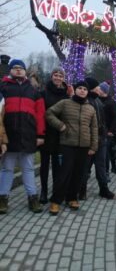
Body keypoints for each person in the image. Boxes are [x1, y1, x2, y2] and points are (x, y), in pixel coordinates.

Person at [46, 81, 98, 215]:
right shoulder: (65, 103)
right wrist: (61, 126)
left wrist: (93, 146)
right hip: (67, 145)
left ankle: (72, 198)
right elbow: (49, 113)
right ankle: (56, 200)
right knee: (64, 174)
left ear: (87, 92)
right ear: (75, 90)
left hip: (84, 147)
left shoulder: (90, 108)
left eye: (84, 89)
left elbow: (94, 128)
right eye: (79, 88)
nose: (82, 91)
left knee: (78, 174)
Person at [0, 59, 45, 214]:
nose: (18, 70)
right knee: (7, 169)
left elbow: (40, 115)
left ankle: (33, 199)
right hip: (9, 136)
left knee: (28, 169)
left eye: (21, 68)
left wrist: (40, 134)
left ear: (25, 71)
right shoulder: (3, 88)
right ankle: (3, 199)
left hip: (28, 136)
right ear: (10, 70)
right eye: (15, 68)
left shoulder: (33, 91)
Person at [79, 77, 115, 200]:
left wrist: (104, 134)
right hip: (88, 139)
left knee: (101, 166)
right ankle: (81, 190)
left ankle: (103, 189)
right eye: (97, 87)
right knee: (85, 166)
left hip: (101, 139)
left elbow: (102, 120)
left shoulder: (98, 101)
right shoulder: (85, 101)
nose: (99, 89)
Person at [39, 67, 69, 204]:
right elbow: (40, 114)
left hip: (60, 134)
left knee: (58, 166)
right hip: (46, 133)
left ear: (63, 78)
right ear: (52, 76)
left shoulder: (66, 94)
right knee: (44, 165)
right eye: (55, 75)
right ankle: (43, 192)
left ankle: (56, 191)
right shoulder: (43, 92)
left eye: (60, 76)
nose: (58, 78)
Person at [99, 81, 116, 179]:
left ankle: (106, 172)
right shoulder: (96, 100)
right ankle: (88, 171)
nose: (98, 90)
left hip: (107, 132)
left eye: (100, 89)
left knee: (105, 154)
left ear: (104, 91)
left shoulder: (111, 102)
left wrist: (111, 130)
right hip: (96, 130)